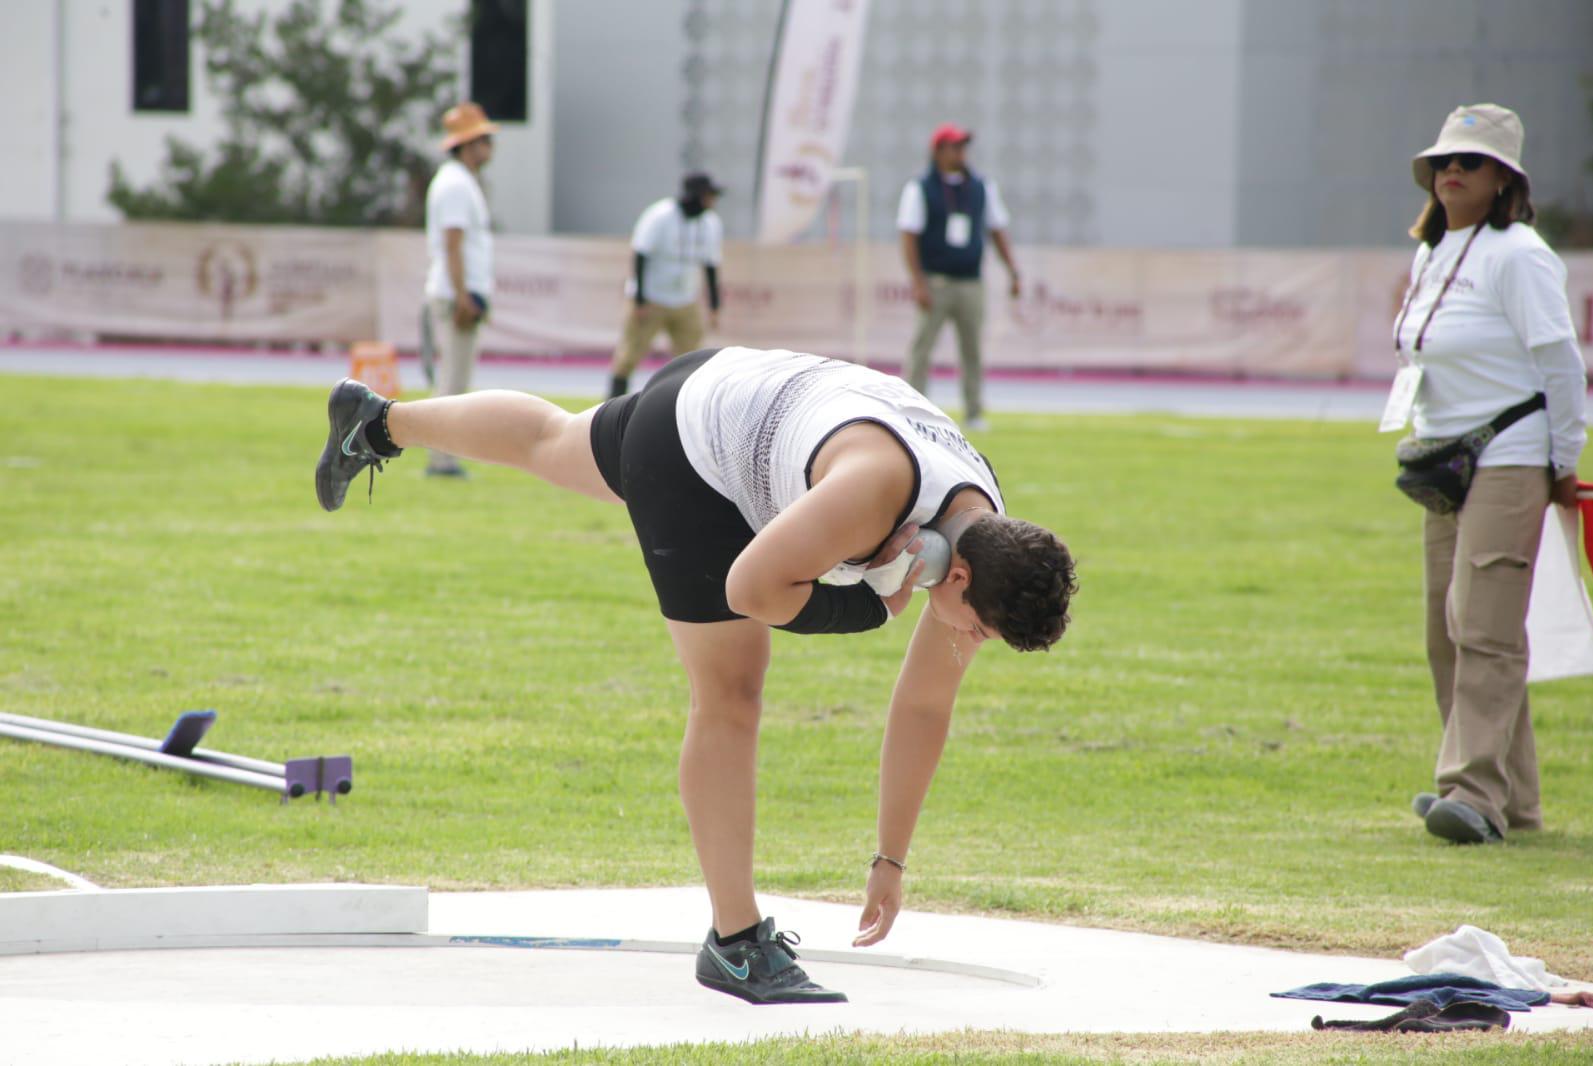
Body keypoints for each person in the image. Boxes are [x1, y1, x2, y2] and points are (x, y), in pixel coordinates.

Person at [314, 345, 1076, 1003]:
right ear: (959, 572)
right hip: (700, 454)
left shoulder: (986, 530)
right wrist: (873, 611)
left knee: (553, 440)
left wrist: (890, 859)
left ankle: (377, 420)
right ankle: (734, 940)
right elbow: (750, 590)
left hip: (731, 390)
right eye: (974, 627)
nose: (966, 640)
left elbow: (923, 707)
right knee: (731, 693)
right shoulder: (875, 493)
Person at [1392, 104, 1587, 845]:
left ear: (1501, 178)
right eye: (1442, 160)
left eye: (1468, 162)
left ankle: (1469, 790)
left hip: (1509, 455)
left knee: (1485, 627)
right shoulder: (1430, 252)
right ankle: (1512, 799)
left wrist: (1562, 459)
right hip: (1443, 461)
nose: (1450, 171)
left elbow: (1560, 363)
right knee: (1446, 629)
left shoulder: (1519, 254)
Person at [897, 123, 1022, 433]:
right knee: (922, 348)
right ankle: (913, 410)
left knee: (972, 350)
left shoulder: (981, 186)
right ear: (938, 151)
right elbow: (909, 236)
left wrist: (1012, 270)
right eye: (954, 147)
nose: (961, 153)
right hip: (936, 281)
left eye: (963, 147)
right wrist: (917, 281)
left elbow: (997, 229)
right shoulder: (920, 187)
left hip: (970, 282)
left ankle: (974, 410)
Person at [422, 101, 498, 477]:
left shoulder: (461, 181)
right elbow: (453, 244)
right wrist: (463, 295)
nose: (490, 148)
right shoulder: (455, 184)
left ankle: (444, 456)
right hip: (456, 294)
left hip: (461, 291)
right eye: (484, 139)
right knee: (452, 381)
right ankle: (441, 459)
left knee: (456, 379)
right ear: (467, 145)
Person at [607, 173, 725, 399]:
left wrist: (714, 305)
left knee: (693, 362)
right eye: (709, 195)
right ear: (695, 195)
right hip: (652, 298)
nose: (712, 201)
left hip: (686, 300)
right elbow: (640, 255)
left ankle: (684, 410)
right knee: (628, 357)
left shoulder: (710, 223)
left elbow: (711, 265)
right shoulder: (660, 215)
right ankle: (609, 407)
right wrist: (640, 299)